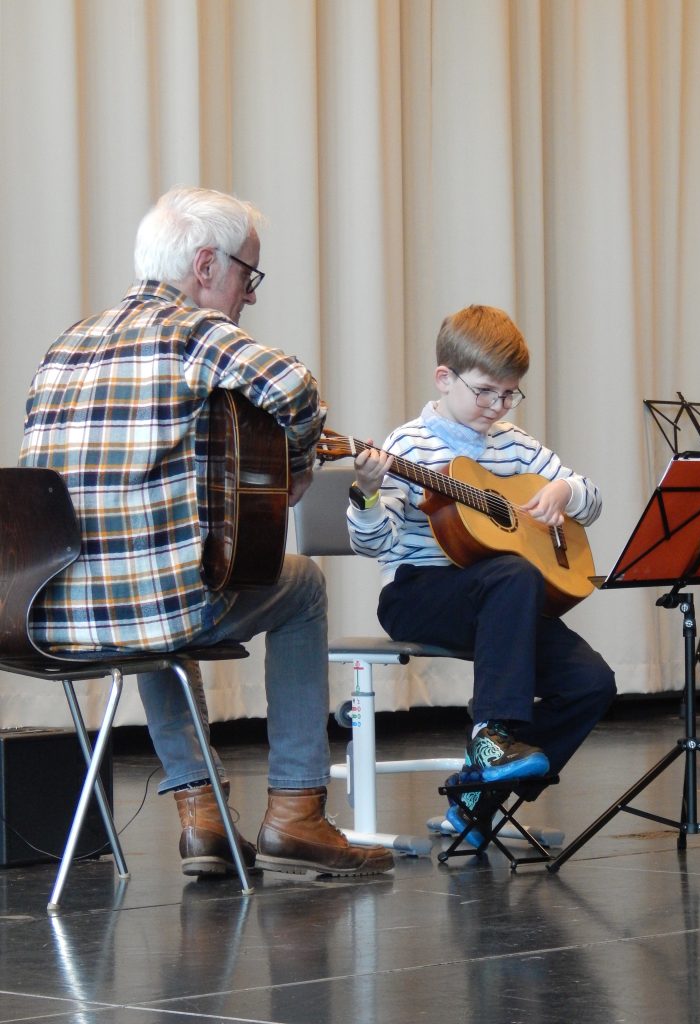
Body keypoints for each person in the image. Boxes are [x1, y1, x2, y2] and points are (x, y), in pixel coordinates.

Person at [19, 185, 393, 878]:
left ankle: (203, 818)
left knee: (155, 597)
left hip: (49, 613)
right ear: (205, 265)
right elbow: (294, 387)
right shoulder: (193, 331)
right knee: (301, 587)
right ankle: (297, 812)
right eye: (248, 275)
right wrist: (298, 466)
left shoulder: (66, 345)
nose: (249, 294)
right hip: (150, 608)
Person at [346, 304, 616, 844]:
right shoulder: (407, 445)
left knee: (590, 683)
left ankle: (474, 800)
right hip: (417, 594)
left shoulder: (513, 443)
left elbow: (591, 499)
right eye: (485, 392)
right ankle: (491, 736)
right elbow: (373, 543)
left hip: (502, 601)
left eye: (509, 394)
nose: (496, 406)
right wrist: (368, 494)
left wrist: (564, 491)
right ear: (444, 378)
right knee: (512, 573)